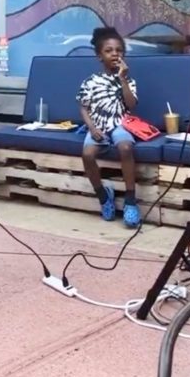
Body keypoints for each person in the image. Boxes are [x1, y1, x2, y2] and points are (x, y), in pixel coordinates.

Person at [77, 26, 140, 228]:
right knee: (87, 154)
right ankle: (104, 197)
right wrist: (92, 128)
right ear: (99, 56)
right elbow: (84, 108)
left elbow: (131, 105)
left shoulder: (128, 80)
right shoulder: (90, 82)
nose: (115, 54)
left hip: (121, 125)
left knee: (125, 147)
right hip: (99, 126)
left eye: (119, 50)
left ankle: (131, 201)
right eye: (109, 50)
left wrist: (122, 79)